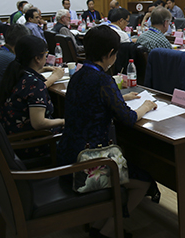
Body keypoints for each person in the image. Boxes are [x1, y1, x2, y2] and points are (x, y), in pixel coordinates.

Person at [57, 25, 158, 238]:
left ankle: (98, 226)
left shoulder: (78, 74)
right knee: (144, 181)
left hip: (68, 154)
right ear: (111, 53)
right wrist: (146, 106)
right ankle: (107, 233)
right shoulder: (103, 80)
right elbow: (128, 118)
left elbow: (93, 100)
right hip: (89, 163)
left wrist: (119, 97)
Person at [0, 35, 64, 158]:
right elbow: (38, 123)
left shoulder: (14, 72)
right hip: (31, 144)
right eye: (45, 54)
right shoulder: (34, 84)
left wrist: (42, 69)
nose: (46, 57)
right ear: (37, 58)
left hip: (13, 137)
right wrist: (64, 121)